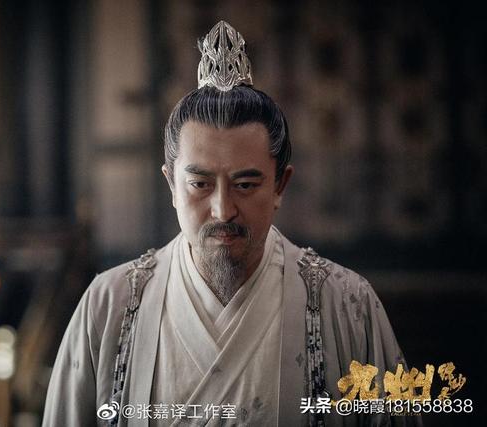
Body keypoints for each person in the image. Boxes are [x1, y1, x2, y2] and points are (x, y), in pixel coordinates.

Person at [43, 21, 417, 427]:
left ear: (280, 185)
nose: (223, 210)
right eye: (200, 184)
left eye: (245, 184)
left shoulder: (347, 305)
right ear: (172, 185)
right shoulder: (109, 304)